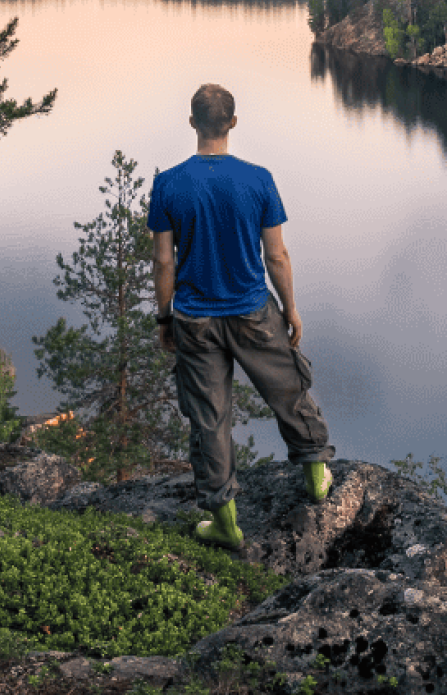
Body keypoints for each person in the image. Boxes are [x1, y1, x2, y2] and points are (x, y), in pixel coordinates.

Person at [149, 83, 335, 551]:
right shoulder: (259, 180)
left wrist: (164, 317)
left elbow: (164, 262)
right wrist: (290, 309)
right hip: (253, 310)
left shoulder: (169, 183)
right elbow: (276, 256)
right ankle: (315, 474)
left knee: (209, 418)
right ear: (233, 123)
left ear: (191, 123)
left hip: (193, 318)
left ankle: (225, 521)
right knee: (288, 388)